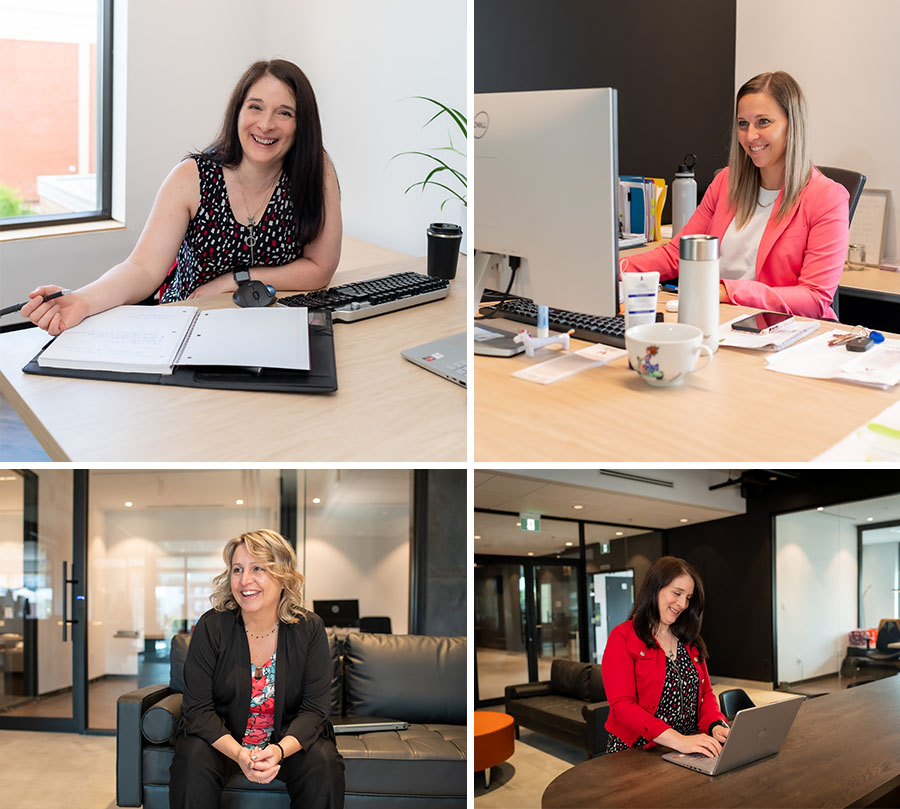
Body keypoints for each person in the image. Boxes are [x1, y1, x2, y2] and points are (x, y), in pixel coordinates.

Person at [22, 59, 342, 335]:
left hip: (273, 325)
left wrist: (233, 280)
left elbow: (319, 269)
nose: (266, 124)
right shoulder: (192, 176)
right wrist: (83, 299)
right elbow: (143, 269)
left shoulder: (316, 169)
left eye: (284, 113)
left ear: (302, 125)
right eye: (255, 107)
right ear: (237, 112)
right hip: (186, 322)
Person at [622, 71, 849, 320]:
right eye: (743, 123)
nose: (750, 136)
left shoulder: (827, 197)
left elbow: (815, 298)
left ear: (792, 125)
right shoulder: (726, 182)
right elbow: (678, 254)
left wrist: (727, 291)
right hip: (720, 320)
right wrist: (614, 271)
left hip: (784, 333)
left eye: (763, 122)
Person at [169, 529, 344, 809]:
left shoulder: (309, 629)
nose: (244, 580)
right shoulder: (212, 627)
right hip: (224, 741)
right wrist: (239, 753)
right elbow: (197, 709)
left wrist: (278, 750)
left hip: (284, 741)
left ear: (283, 576)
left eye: (258, 568)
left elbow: (315, 710)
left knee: (322, 761)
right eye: (237, 569)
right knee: (192, 757)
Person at [601, 556, 729, 758]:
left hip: (686, 749)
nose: (683, 604)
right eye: (677, 593)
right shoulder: (622, 637)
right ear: (655, 589)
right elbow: (623, 707)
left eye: (688, 598)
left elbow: (705, 693)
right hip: (637, 753)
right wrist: (679, 740)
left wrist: (715, 724)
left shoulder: (688, 640)